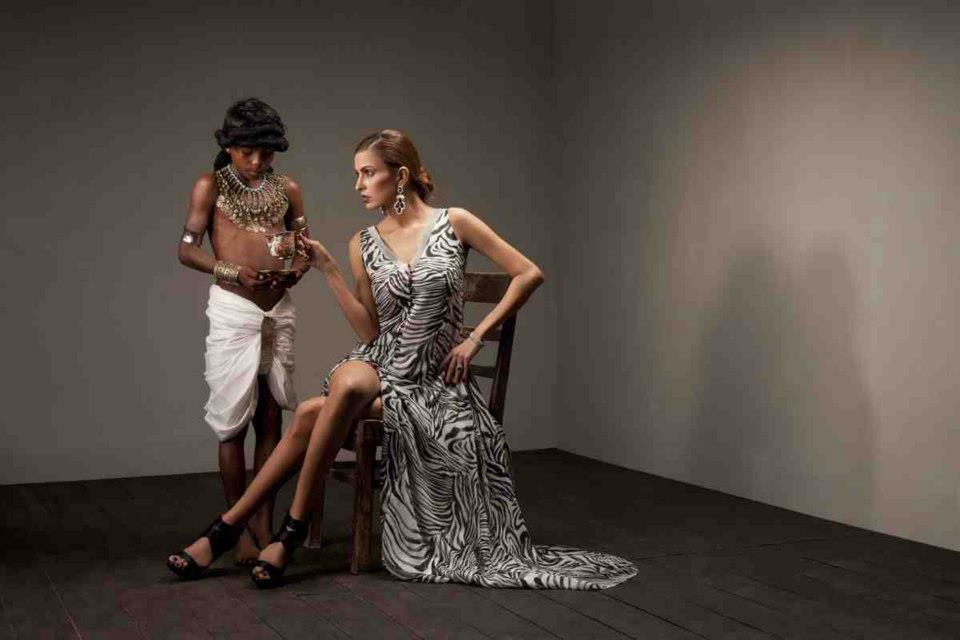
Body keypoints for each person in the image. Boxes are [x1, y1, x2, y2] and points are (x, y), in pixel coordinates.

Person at [168, 129, 638, 590]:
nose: (358, 185)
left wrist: (475, 339)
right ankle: (279, 535)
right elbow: (370, 332)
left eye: (368, 173)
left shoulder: (455, 222)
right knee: (349, 382)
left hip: (433, 381)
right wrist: (329, 270)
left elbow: (528, 273)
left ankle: (233, 530)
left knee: (312, 411)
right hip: (382, 360)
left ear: (401, 175)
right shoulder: (362, 243)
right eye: (356, 174)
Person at [173, 97, 311, 567]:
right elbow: (187, 249)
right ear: (229, 146)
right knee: (232, 422)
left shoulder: (287, 188)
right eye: (247, 151)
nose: (256, 162)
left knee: (270, 420)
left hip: (278, 309)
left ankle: (262, 525)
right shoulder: (209, 185)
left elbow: (303, 247)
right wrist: (232, 271)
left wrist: (295, 270)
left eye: (265, 153)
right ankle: (236, 529)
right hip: (233, 311)